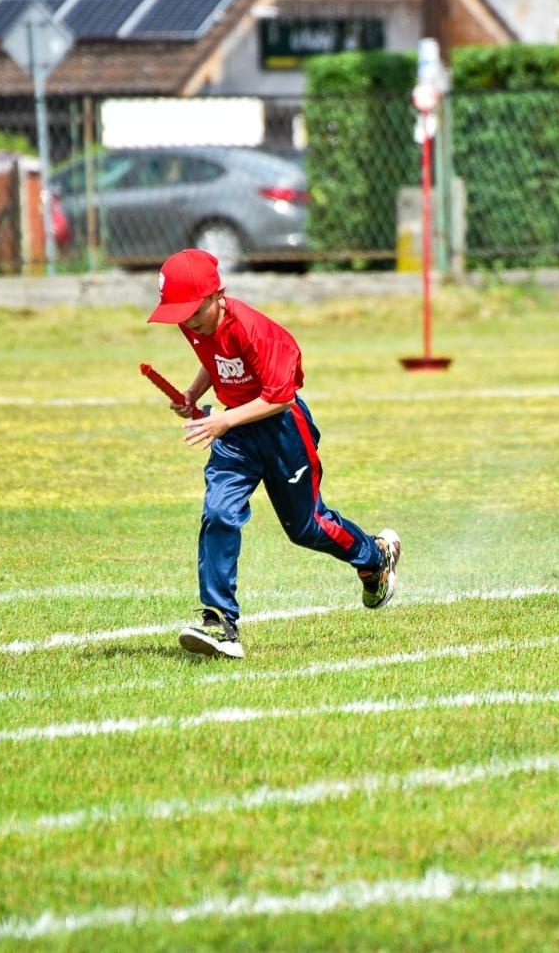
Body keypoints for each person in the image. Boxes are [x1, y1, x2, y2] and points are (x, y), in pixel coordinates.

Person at [146, 248, 401, 658]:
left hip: (282, 429)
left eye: (192, 309)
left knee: (306, 527)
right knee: (218, 512)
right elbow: (217, 359)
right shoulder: (193, 323)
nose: (186, 319)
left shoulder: (254, 330)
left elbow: (280, 399)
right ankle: (220, 620)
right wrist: (194, 393)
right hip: (236, 436)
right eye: (178, 312)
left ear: (218, 295)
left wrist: (223, 421)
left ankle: (374, 556)